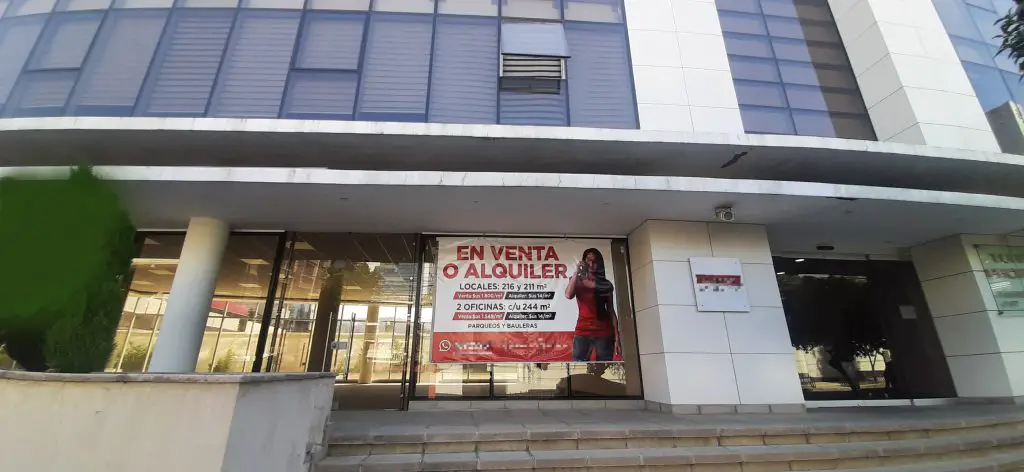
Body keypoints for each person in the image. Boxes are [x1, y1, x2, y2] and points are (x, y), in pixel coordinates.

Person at [565, 248, 617, 362]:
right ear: (584, 261)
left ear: (599, 263)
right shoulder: (576, 280)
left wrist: (617, 336)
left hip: (604, 331)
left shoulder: (605, 284)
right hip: (582, 330)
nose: (592, 264)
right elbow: (568, 295)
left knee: (603, 366)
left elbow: (610, 310)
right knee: (578, 365)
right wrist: (577, 272)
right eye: (588, 260)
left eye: (595, 261)